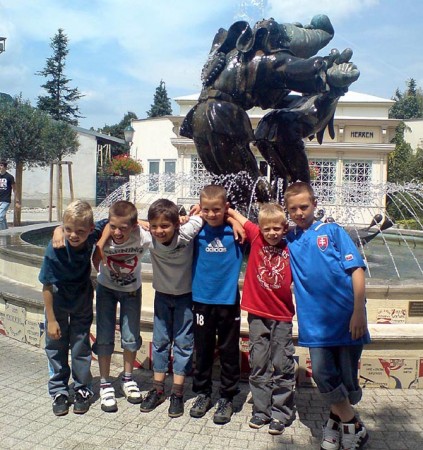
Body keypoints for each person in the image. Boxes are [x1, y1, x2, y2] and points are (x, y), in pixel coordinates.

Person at [284, 182, 370, 450]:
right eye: (293, 209)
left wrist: (358, 311)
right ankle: (353, 424)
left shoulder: (332, 231)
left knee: (346, 377)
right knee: (322, 373)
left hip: (346, 318)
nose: (299, 213)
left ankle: (334, 425)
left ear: (315, 204)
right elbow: (259, 228)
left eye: (304, 206)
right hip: (315, 324)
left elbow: (356, 269)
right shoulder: (289, 238)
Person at [227, 203, 295, 435]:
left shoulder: (291, 244)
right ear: (260, 228)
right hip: (257, 314)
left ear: (285, 228)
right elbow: (231, 211)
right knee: (258, 363)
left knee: (282, 364)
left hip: (282, 316)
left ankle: (281, 412)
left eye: (277, 228)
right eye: (267, 229)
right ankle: (261, 410)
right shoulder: (255, 236)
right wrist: (232, 219)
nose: (272, 233)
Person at [39, 200, 106, 416]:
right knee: (55, 346)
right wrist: (51, 320)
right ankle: (58, 390)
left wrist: (140, 222)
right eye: (68, 229)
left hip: (81, 299)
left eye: (80, 231)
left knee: (80, 345)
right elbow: (46, 285)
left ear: (90, 229)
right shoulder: (55, 248)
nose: (74, 235)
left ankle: (82, 388)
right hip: (57, 301)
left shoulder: (92, 235)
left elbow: (113, 220)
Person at [139, 199, 203, 418]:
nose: (159, 231)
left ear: (176, 224)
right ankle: (157, 389)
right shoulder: (148, 237)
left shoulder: (186, 232)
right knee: (160, 342)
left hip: (186, 297)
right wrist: (139, 222)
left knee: (184, 344)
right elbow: (118, 221)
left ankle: (177, 392)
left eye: (165, 226)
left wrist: (196, 209)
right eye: (154, 225)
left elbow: (205, 213)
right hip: (162, 296)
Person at [189, 184, 244, 425]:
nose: (211, 214)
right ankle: (203, 393)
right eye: (206, 209)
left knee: (229, 350)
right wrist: (192, 215)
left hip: (228, 301)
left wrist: (233, 220)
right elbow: (169, 227)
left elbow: (261, 230)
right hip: (202, 300)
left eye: (217, 210)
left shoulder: (237, 233)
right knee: (202, 349)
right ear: (200, 208)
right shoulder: (196, 231)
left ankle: (227, 397)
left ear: (226, 208)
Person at [93, 200, 152, 413]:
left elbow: (169, 230)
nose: (117, 232)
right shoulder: (102, 235)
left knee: (130, 335)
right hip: (106, 290)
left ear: (134, 226)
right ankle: (105, 382)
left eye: (123, 228)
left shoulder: (143, 236)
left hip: (132, 291)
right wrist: (101, 242)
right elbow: (75, 227)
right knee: (104, 336)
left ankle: (127, 378)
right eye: (113, 227)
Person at [0, 160, 19, 229]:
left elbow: (14, 189)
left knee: (0, 217)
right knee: (3, 218)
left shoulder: (10, 177)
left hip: (5, 200)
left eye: (1, 165)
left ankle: (2, 233)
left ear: (5, 167)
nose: (0, 167)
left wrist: (17, 201)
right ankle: (6, 231)